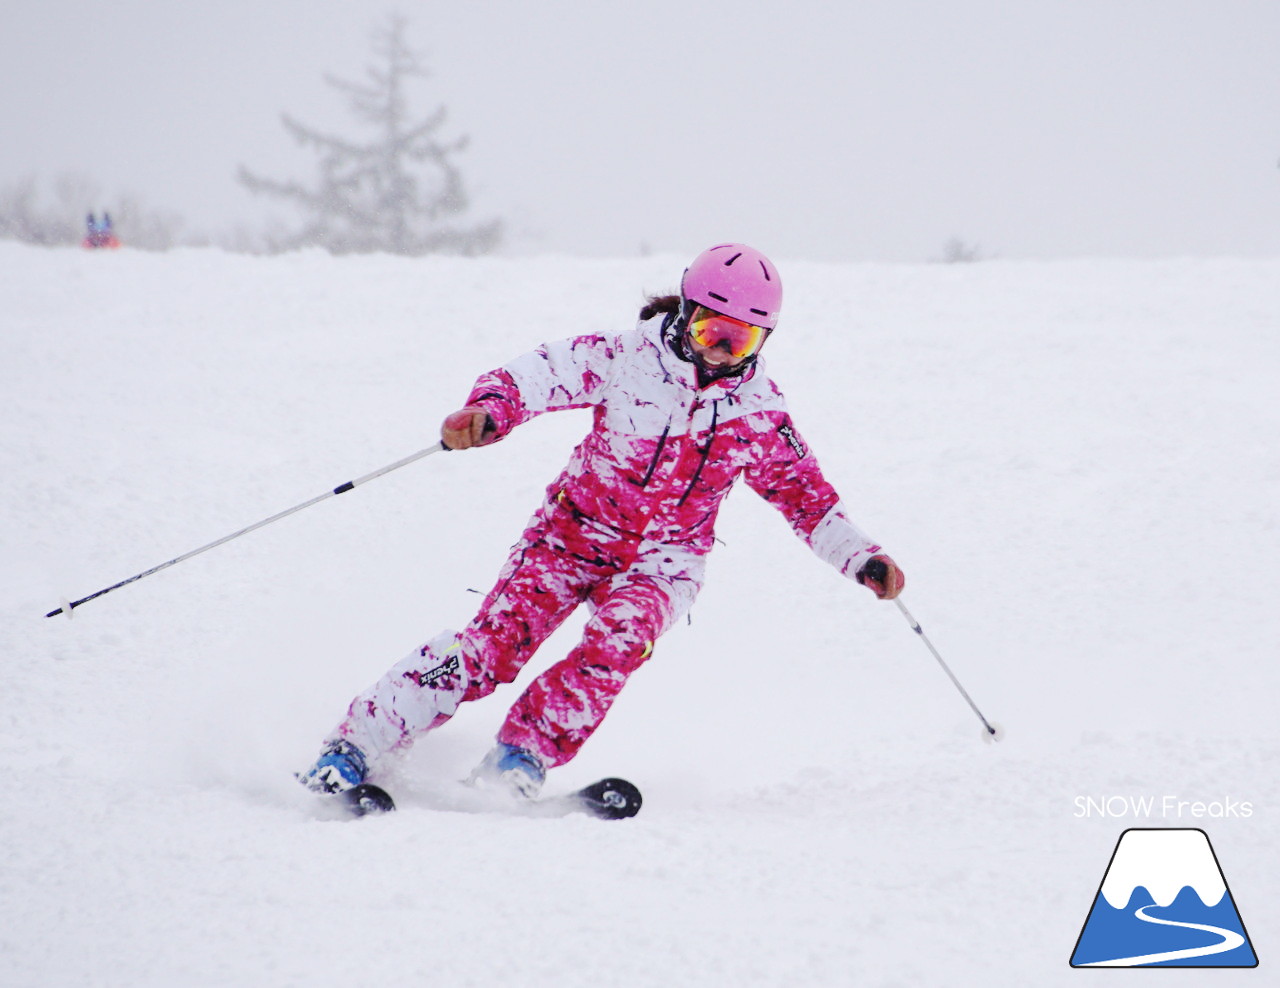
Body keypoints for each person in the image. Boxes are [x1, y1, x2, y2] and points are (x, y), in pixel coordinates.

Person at [300, 243, 904, 800]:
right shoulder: (624, 358)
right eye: (709, 329)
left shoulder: (759, 414)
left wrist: (863, 557)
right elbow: (535, 375)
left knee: (619, 642)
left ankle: (518, 761)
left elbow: (809, 500)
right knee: (492, 649)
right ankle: (354, 747)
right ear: (685, 312)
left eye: (739, 340)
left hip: (664, 563)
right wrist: (490, 411)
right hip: (570, 537)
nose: (721, 350)